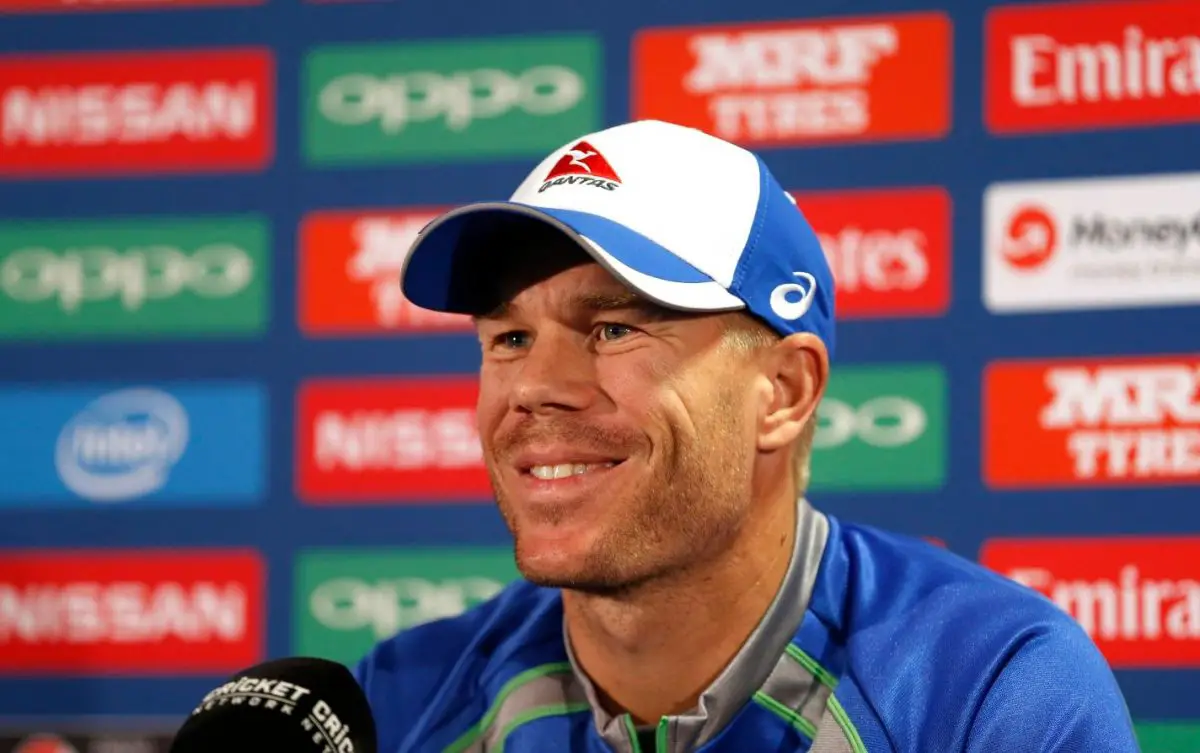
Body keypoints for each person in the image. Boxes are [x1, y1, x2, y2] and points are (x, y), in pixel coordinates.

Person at [352, 119, 1140, 752]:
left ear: (785, 391)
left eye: (615, 328)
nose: (533, 387)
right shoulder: (400, 701)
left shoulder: (988, 691)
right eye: (510, 339)